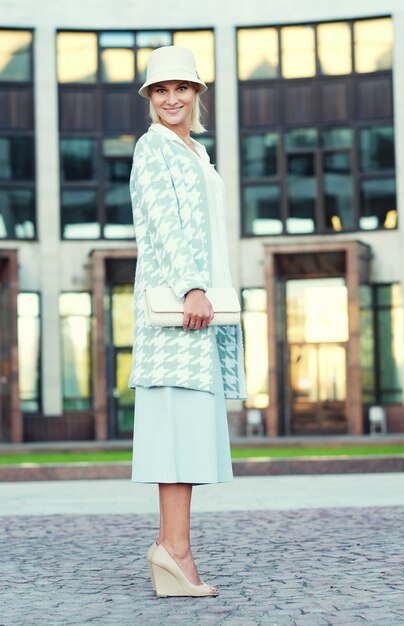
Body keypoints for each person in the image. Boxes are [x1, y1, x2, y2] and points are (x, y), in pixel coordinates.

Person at [128, 45, 247, 598]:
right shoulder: (153, 148)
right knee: (176, 438)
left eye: (181, 88)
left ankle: (173, 549)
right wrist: (192, 287)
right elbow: (165, 225)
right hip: (179, 316)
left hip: (198, 317)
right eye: (160, 89)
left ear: (197, 93)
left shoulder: (194, 152)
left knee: (188, 441)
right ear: (150, 98)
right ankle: (174, 551)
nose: (171, 98)